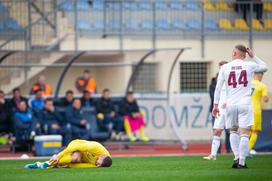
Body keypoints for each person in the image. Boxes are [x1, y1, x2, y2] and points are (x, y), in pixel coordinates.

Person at [212, 45, 267, 169]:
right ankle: (241, 162)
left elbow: (218, 88)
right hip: (245, 104)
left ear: (235, 53)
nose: (232, 54)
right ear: (244, 55)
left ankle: (236, 158)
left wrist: (215, 105)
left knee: (233, 131)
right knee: (244, 134)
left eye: (233, 53)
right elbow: (265, 67)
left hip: (230, 104)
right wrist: (253, 56)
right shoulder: (249, 65)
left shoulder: (225, 67)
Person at [24, 139, 112, 169]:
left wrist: (66, 166)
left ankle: (39, 164)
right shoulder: (96, 147)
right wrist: (58, 156)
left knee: (70, 162)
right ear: (102, 156)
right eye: (98, 161)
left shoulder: (99, 164)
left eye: (98, 165)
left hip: (83, 157)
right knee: (75, 158)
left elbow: (82, 166)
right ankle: (46, 163)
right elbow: (75, 147)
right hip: (76, 145)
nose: (96, 163)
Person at [203, 61, 229, 161]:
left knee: (232, 131)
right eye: (220, 67)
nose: (221, 69)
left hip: (230, 108)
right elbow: (215, 94)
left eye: (223, 67)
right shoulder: (217, 81)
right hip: (220, 109)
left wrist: (228, 102)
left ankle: (238, 156)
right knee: (217, 130)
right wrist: (216, 105)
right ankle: (213, 155)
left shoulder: (232, 80)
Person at [248, 70, 269, 155]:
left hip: (246, 109)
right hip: (255, 110)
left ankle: (242, 149)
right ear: (261, 76)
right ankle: (247, 150)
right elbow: (265, 99)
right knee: (255, 131)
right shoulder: (262, 85)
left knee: (246, 131)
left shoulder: (248, 83)